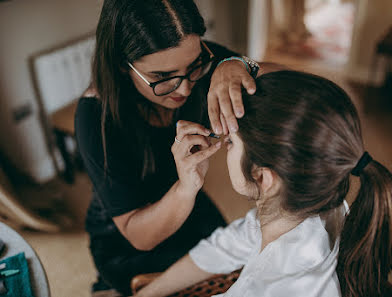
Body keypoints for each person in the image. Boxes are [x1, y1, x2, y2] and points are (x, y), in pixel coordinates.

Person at [135, 71, 392, 297]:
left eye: (230, 143)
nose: (222, 146)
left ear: (264, 178)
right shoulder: (320, 206)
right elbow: (226, 245)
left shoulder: (263, 288)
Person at [74, 0, 272, 295]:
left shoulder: (204, 61)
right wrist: (185, 188)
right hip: (128, 240)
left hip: (191, 206)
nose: (185, 89)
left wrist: (238, 64)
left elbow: (284, 82)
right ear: (121, 64)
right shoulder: (95, 116)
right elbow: (139, 236)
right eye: (161, 78)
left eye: (193, 67)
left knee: (238, 262)